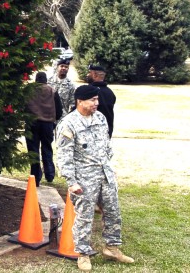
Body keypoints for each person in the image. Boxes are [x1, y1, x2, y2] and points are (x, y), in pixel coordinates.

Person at [56, 85, 134, 271]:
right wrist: (71, 182)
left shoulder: (100, 118)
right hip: (84, 178)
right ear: (80, 101)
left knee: (113, 212)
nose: (96, 103)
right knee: (84, 217)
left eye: (97, 99)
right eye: (92, 100)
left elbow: (106, 143)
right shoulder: (68, 123)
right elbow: (63, 155)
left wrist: (108, 164)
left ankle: (112, 248)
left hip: (105, 175)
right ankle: (83, 254)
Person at [25, 71, 63, 186]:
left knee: (33, 150)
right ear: (46, 80)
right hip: (47, 124)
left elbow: (24, 107)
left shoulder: (29, 90)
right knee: (47, 148)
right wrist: (53, 120)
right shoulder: (52, 90)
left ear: (36, 80)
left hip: (32, 123)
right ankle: (49, 174)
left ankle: (35, 176)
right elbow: (59, 111)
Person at [86, 64, 116, 138]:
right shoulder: (110, 92)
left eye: (89, 72)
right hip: (106, 131)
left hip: (91, 132)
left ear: (95, 75)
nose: (87, 75)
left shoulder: (88, 91)